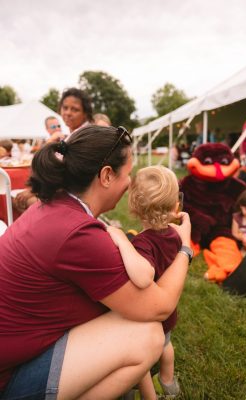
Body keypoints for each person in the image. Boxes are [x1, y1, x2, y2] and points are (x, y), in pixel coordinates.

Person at [0, 125, 192, 399]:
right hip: (10, 379)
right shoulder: (78, 234)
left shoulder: (56, 206)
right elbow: (158, 308)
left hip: (13, 357)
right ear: (106, 175)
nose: (130, 184)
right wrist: (184, 248)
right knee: (147, 336)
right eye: (128, 174)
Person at [108, 166, 186, 399]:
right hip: (168, 310)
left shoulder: (142, 244)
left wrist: (122, 241)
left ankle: (147, 393)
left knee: (141, 360)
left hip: (149, 316)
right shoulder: (175, 234)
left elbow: (142, 277)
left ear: (134, 206)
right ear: (175, 205)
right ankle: (169, 382)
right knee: (166, 347)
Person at [13, 88, 93, 213]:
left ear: (85, 113)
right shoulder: (72, 134)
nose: (68, 113)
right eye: (65, 107)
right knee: (18, 198)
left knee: (20, 201)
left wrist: (34, 191)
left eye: (75, 109)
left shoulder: (82, 136)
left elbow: (67, 174)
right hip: (64, 192)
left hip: (74, 198)